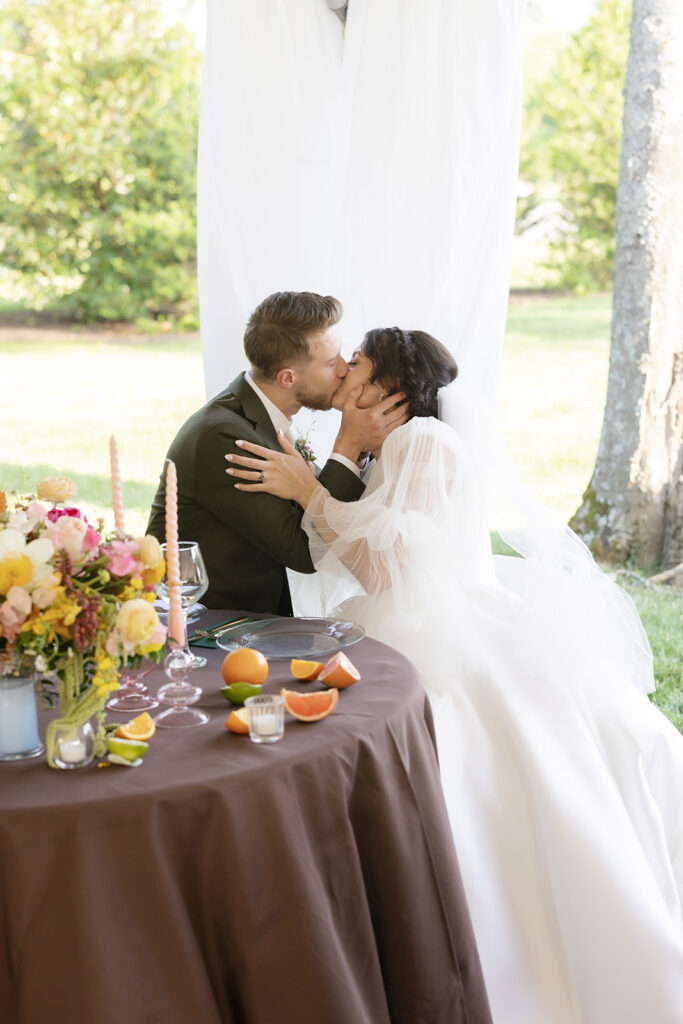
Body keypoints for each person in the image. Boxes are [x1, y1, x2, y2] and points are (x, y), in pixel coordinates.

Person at [225, 326, 683, 1023]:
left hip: (431, 627)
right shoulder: (396, 445)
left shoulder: (422, 444)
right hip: (405, 614)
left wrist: (308, 495)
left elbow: (391, 570)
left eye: (360, 366)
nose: (345, 372)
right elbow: (365, 554)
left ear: (389, 389)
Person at [147, 292, 405, 612]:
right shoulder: (224, 437)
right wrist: (348, 444)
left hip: (258, 623)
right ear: (287, 377)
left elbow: (308, 509)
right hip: (206, 629)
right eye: (329, 362)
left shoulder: (262, 417)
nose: (343, 370)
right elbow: (307, 551)